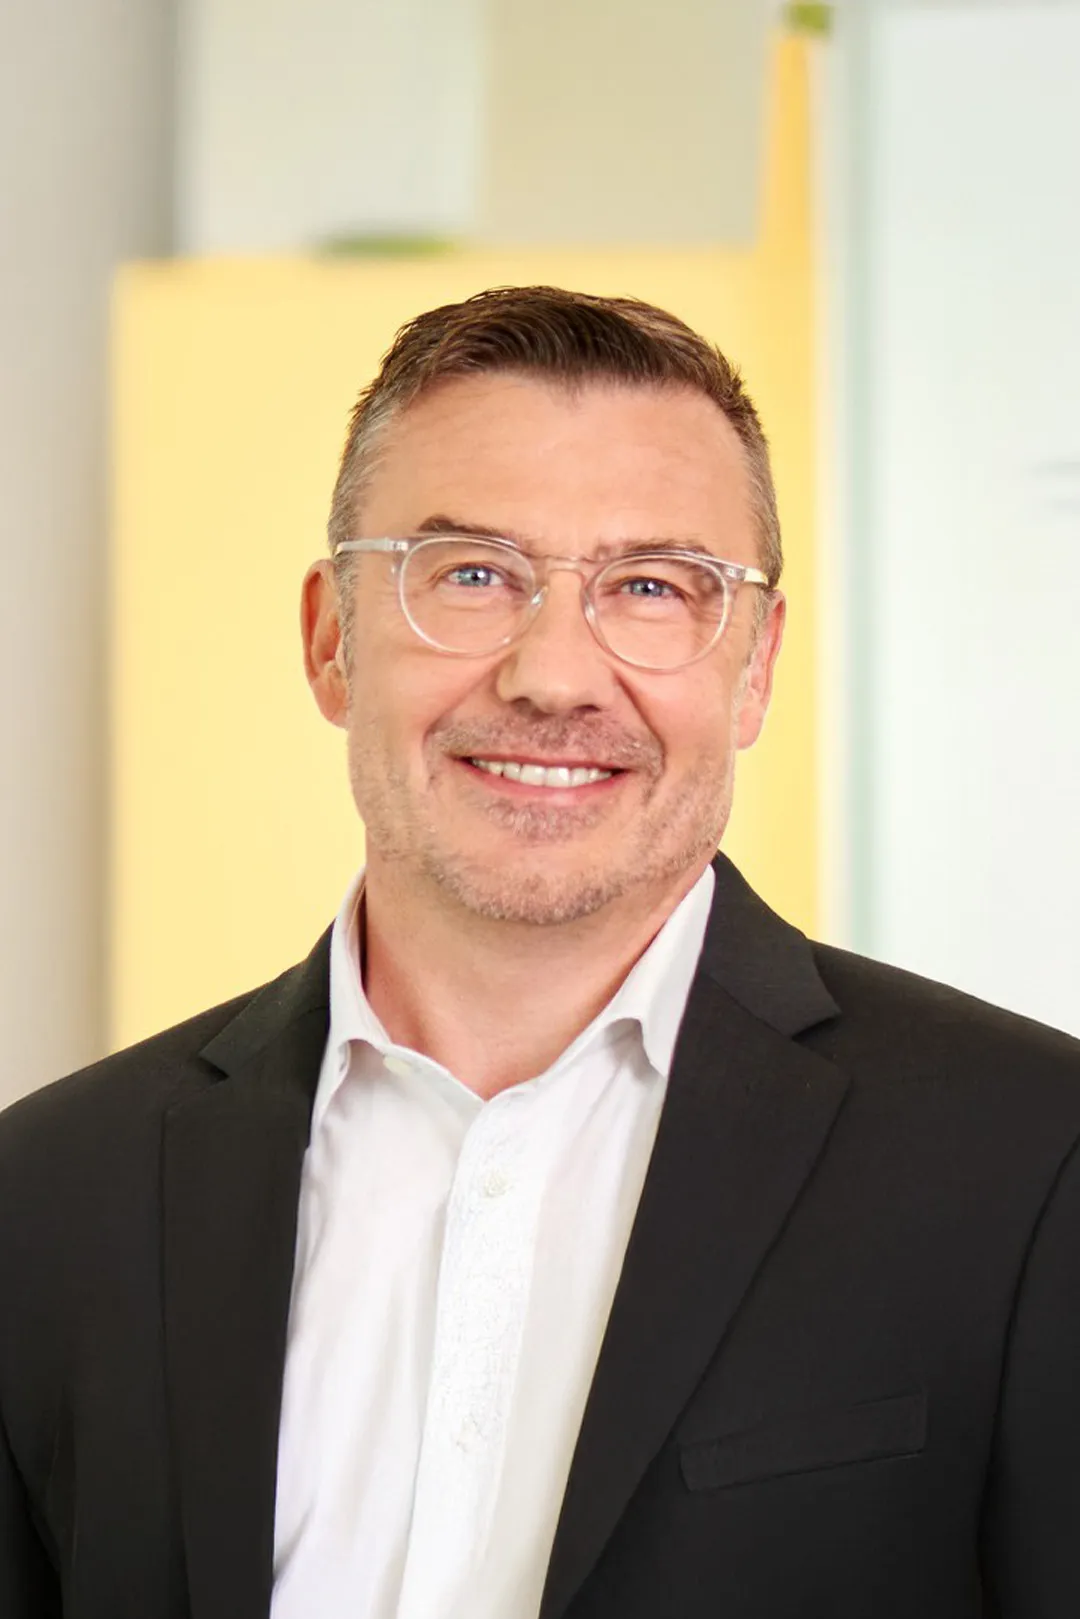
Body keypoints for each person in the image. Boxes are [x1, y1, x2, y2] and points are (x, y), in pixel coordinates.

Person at [1, 285, 1078, 1619]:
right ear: (331, 640)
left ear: (752, 670)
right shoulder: (46, 1197)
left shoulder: (1035, 1166)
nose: (554, 675)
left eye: (651, 587)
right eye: (471, 575)